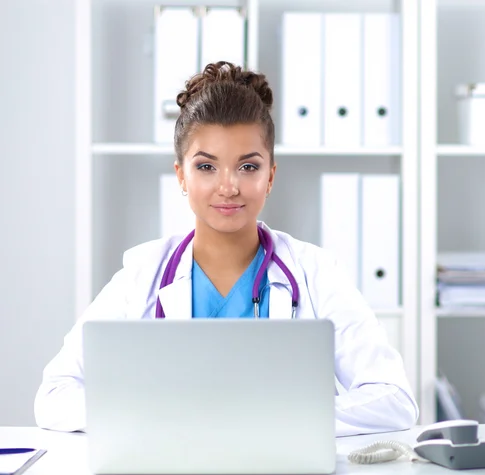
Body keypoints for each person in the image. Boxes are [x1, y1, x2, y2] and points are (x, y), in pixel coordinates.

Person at [34, 61, 419, 437]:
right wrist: (152, 414)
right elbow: (54, 394)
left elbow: (394, 399)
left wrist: (273, 419)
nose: (228, 186)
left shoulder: (315, 273)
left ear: (270, 176)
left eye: (248, 167)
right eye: (206, 167)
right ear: (181, 175)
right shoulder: (143, 274)